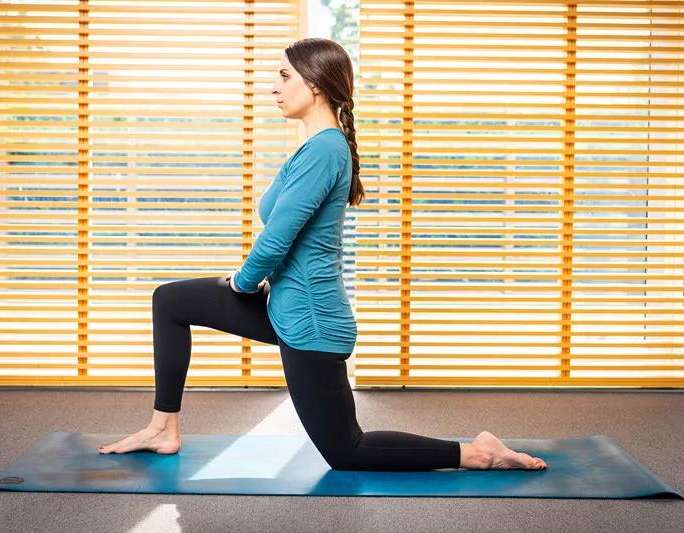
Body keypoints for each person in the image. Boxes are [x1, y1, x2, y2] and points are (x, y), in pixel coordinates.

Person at [99, 38, 547, 471]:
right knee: (171, 300)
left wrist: (240, 283)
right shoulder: (316, 147)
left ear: (313, 84)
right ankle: (162, 427)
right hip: (287, 306)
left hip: (311, 322)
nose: (273, 87)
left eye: (283, 75)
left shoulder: (325, 149)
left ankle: (478, 453)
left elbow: (278, 238)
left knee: (348, 449)